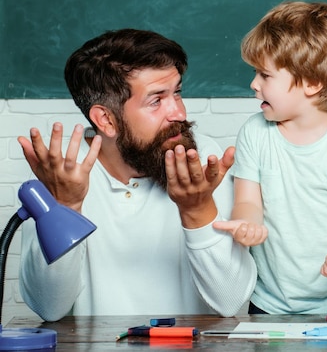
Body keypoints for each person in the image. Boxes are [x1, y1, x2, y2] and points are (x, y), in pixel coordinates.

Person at [18, 29, 256, 321]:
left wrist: (198, 210)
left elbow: (229, 302)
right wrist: (65, 207)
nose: (179, 113)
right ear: (106, 119)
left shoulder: (199, 158)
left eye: (177, 93)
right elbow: (49, 308)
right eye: (157, 100)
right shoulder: (63, 173)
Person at [213, 1, 327, 314]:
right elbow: (249, 202)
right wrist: (249, 225)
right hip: (268, 303)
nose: (254, 84)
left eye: (265, 75)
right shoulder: (254, 132)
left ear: (312, 83)